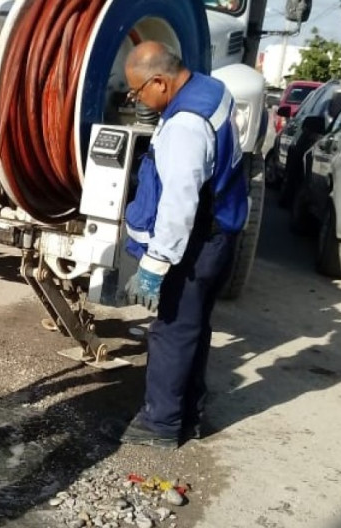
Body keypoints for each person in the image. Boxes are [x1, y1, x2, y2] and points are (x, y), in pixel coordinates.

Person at [120, 42, 248, 448]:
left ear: (161, 81)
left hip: (196, 244)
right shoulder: (212, 90)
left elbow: (180, 200)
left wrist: (154, 267)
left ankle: (160, 425)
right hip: (220, 235)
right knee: (193, 328)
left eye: (138, 92)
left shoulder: (186, 125)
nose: (138, 101)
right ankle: (189, 414)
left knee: (171, 332)